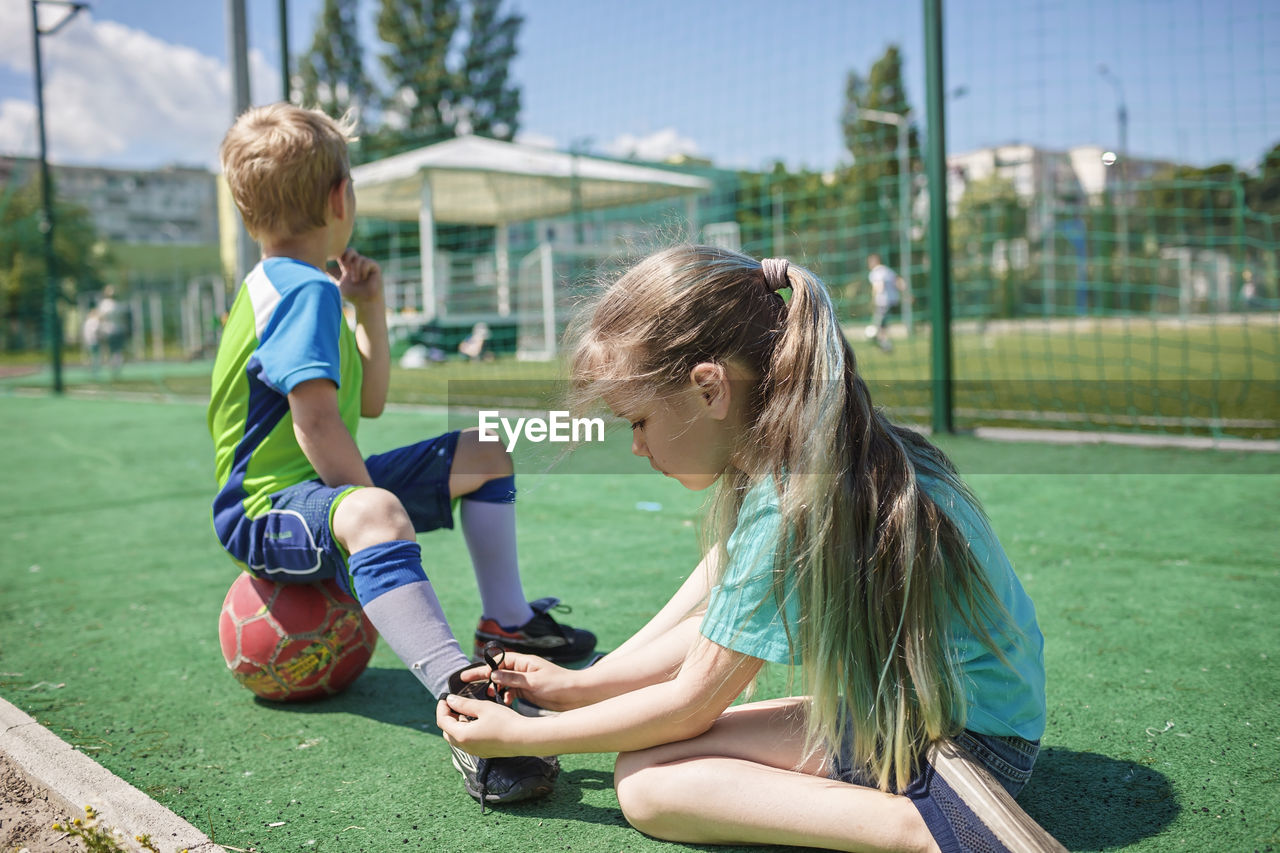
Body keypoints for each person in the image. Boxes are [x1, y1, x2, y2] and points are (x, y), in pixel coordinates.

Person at [438, 246, 1062, 852]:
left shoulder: (793, 499)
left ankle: (933, 831)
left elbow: (690, 702)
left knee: (648, 786)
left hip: (963, 747)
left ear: (709, 388)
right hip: (950, 714)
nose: (636, 447)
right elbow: (722, 624)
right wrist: (582, 687)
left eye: (638, 422)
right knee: (652, 763)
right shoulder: (816, 455)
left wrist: (523, 732)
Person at [209, 103, 596, 808]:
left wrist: (370, 307)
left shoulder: (303, 288)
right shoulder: (298, 292)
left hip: (316, 496)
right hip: (264, 514)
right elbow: (318, 425)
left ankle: (505, 621)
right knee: (377, 511)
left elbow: (372, 400)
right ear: (339, 198)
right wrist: (371, 520)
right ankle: (466, 706)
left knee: (485, 451)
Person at [865, 253, 906, 353]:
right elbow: (899, 282)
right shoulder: (887, 270)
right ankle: (884, 344)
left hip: (882, 301)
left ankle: (885, 344)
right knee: (883, 324)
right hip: (891, 301)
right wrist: (906, 294)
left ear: (874, 262)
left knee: (879, 324)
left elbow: (879, 286)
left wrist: (874, 298)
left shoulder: (875, 272)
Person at [96, 285, 128, 376]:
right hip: (118, 330)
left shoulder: (105, 304)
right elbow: (124, 318)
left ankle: (113, 367)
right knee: (117, 350)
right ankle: (116, 367)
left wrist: (99, 328)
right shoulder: (118, 304)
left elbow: (100, 317)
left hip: (109, 330)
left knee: (111, 350)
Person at [81, 305, 102, 376]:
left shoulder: (87, 321)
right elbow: (96, 330)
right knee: (95, 356)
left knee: (91, 355)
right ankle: (94, 369)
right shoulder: (95, 321)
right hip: (94, 341)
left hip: (88, 341)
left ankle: (90, 367)